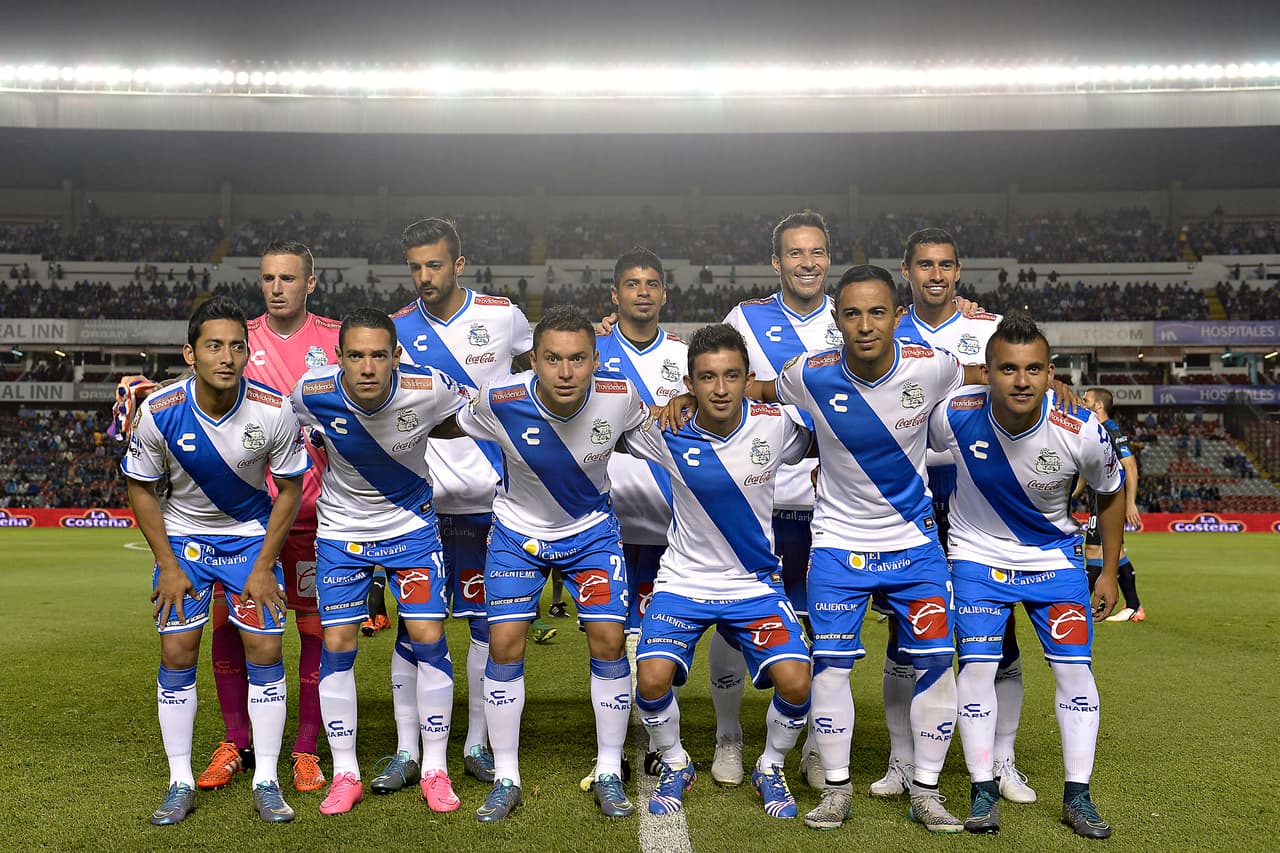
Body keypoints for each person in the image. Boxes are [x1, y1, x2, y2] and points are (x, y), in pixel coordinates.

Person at [708, 265, 986, 833]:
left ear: (897, 317)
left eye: (877, 312)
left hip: (913, 543)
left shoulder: (933, 366)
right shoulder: (809, 373)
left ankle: (925, 791)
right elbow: (756, 388)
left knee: (938, 665)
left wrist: (1055, 384)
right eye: (853, 314)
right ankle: (836, 790)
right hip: (837, 543)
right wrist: (689, 400)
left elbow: (991, 375)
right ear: (837, 321)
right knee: (829, 667)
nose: (865, 325)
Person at [115, 241, 336, 795]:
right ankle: (236, 741)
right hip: (246, 517)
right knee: (227, 629)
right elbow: (197, 394)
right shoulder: (243, 335)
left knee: (312, 633)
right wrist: (141, 391)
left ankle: (305, 750)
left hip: (317, 512)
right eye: (268, 277)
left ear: (311, 282)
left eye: (288, 277)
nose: (277, 286)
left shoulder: (336, 339)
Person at [930, 314, 1123, 839]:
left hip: (1054, 564)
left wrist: (1108, 571)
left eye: (1033, 369)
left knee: (1074, 675)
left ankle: (1078, 796)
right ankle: (982, 788)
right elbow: (897, 441)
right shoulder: (952, 413)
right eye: (1008, 369)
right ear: (986, 372)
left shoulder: (1081, 429)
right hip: (975, 559)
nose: (1021, 380)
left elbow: (1109, 493)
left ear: (1050, 373)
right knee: (976, 671)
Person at [456, 305, 650, 822]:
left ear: (594, 359)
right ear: (533, 360)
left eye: (578, 359)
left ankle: (609, 768)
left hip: (591, 534)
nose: (566, 373)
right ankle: (506, 776)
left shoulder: (621, 397)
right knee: (503, 644)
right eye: (553, 359)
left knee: (609, 641)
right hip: (517, 535)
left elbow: (656, 429)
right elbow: (448, 425)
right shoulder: (498, 399)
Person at [369, 218, 534, 796]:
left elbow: (547, 369)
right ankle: (405, 750)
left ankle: (475, 745)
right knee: (415, 631)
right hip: (421, 507)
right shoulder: (394, 329)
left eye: (434, 265)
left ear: (458, 264)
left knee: (489, 629)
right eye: (414, 267)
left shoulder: (503, 315)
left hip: (495, 502)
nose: (423, 277)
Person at [290, 309, 471, 815]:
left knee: (429, 638)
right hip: (342, 535)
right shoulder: (312, 391)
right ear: (339, 358)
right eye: (355, 356)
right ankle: (345, 772)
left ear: (396, 356)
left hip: (411, 531)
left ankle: (434, 767)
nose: (367, 367)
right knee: (338, 645)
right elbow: (255, 409)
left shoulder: (429, 386)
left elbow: (477, 413)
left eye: (377, 355)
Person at [628, 324, 813, 819]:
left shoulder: (776, 426)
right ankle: (674, 761)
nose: (721, 388)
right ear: (689, 383)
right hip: (684, 581)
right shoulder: (663, 431)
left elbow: (833, 439)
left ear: (747, 376)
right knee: (649, 680)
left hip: (753, 583)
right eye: (707, 377)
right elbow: (603, 416)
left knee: (798, 683)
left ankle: (770, 766)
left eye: (732, 375)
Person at [892, 228, 1034, 805]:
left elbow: (1033, 384)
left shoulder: (987, 330)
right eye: (924, 264)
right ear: (907, 271)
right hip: (906, 501)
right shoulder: (882, 328)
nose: (935, 275)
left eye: (945, 265)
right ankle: (902, 761)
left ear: (959, 271)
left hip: (983, 499)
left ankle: (1003, 761)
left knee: (1000, 636)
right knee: (909, 635)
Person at [714, 209, 836, 788]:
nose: (806, 263)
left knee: (820, 631)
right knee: (731, 622)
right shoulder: (746, 318)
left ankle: (814, 744)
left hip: (833, 504)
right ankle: (728, 738)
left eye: (815, 253)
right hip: (754, 500)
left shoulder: (856, 319)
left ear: (828, 259)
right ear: (776, 262)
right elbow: (715, 375)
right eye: (795, 253)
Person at [595, 247, 688, 777]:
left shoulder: (684, 352)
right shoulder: (592, 348)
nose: (643, 292)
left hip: (671, 520)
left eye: (652, 283)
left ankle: (656, 739)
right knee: (612, 634)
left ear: (664, 293)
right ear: (615, 294)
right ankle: (614, 743)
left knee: (659, 634)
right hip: (606, 521)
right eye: (632, 283)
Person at [1081, 388, 1146, 622]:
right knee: (1114, 552)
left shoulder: (1110, 430)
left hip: (1107, 500)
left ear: (1099, 405)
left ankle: (1081, 608)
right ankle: (1133, 606)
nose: (1082, 402)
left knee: (1095, 550)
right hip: (1097, 497)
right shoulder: (1092, 429)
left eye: (1086, 400)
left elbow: (1130, 466)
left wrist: (1130, 504)